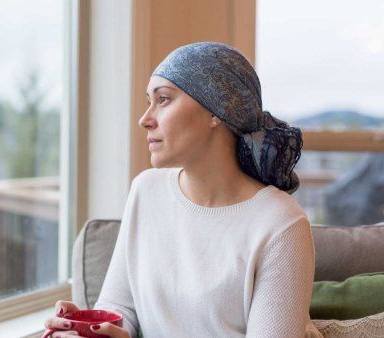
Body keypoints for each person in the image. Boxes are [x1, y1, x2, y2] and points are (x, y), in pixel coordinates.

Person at [44, 42, 322, 337]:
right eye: (148, 101)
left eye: (163, 99)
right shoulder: (145, 191)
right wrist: (89, 330)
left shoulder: (282, 224)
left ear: (218, 110)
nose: (145, 119)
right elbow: (119, 306)